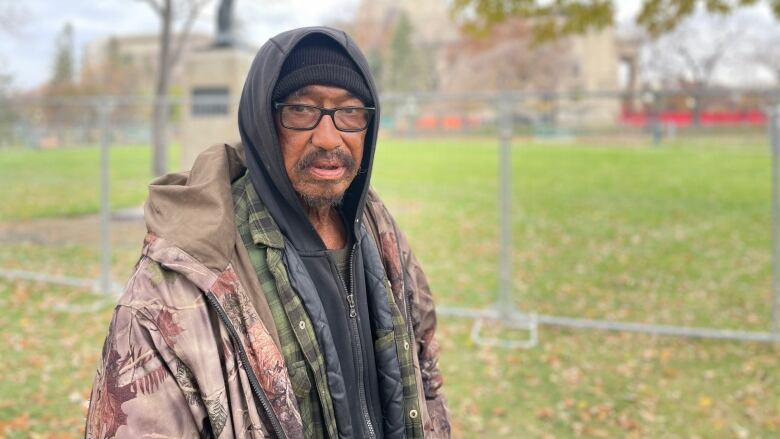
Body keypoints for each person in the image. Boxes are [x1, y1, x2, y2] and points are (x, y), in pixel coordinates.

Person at [85, 27, 450, 439]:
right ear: (263, 120)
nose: (329, 138)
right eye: (301, 110)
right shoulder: (179, 286)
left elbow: (424, 380)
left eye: (349, 112)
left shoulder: (380, 235)